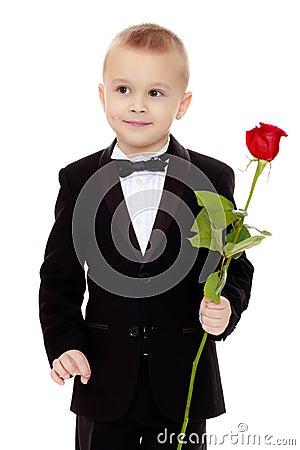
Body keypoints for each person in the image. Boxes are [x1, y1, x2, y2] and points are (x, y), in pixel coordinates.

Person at [39, 23, 254, 450]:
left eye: (155, 93)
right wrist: (65, 344)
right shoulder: (79, 179)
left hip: (183, 385)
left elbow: (234, 262)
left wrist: (227, 303)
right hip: (101, 380)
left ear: (183, 103)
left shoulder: (212, 177)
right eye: (123, 90)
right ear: (102, 96)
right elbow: (59, 278)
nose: (137, 106)